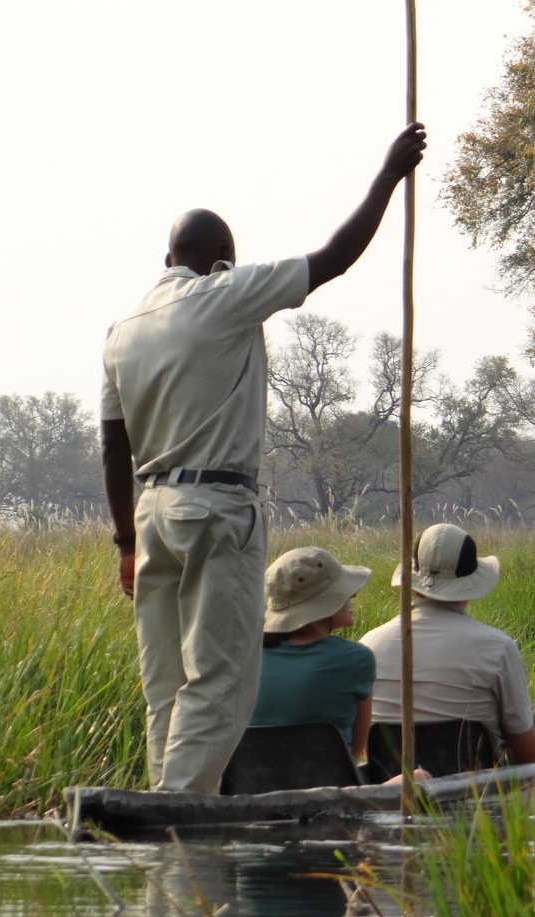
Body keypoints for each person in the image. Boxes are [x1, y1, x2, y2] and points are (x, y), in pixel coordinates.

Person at [100, 122, 428, 793]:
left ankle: (163, 809)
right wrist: (390, 175)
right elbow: (335, 257)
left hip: (151, 514)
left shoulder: (122, 330)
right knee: (218, 678)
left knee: (165, 682)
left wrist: (125, 543)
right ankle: (177, 810)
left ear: (167, 263)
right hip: (216, 509)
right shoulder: (224, 296)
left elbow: (113, 443)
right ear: (222, 260)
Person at [360, 523, 535, 767]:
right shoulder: (496, 648)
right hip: (475, 787)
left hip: (393, 782)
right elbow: (528, 755)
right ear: (470, 585)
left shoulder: (368, 645)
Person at [251, 547, 376, 758]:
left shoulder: (245, 660)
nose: (353, 594)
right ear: (324, 603)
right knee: (419, 777)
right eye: (343, 590)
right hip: (332, 788)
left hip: (252, 787)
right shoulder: (356, 659)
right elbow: (357, 751)